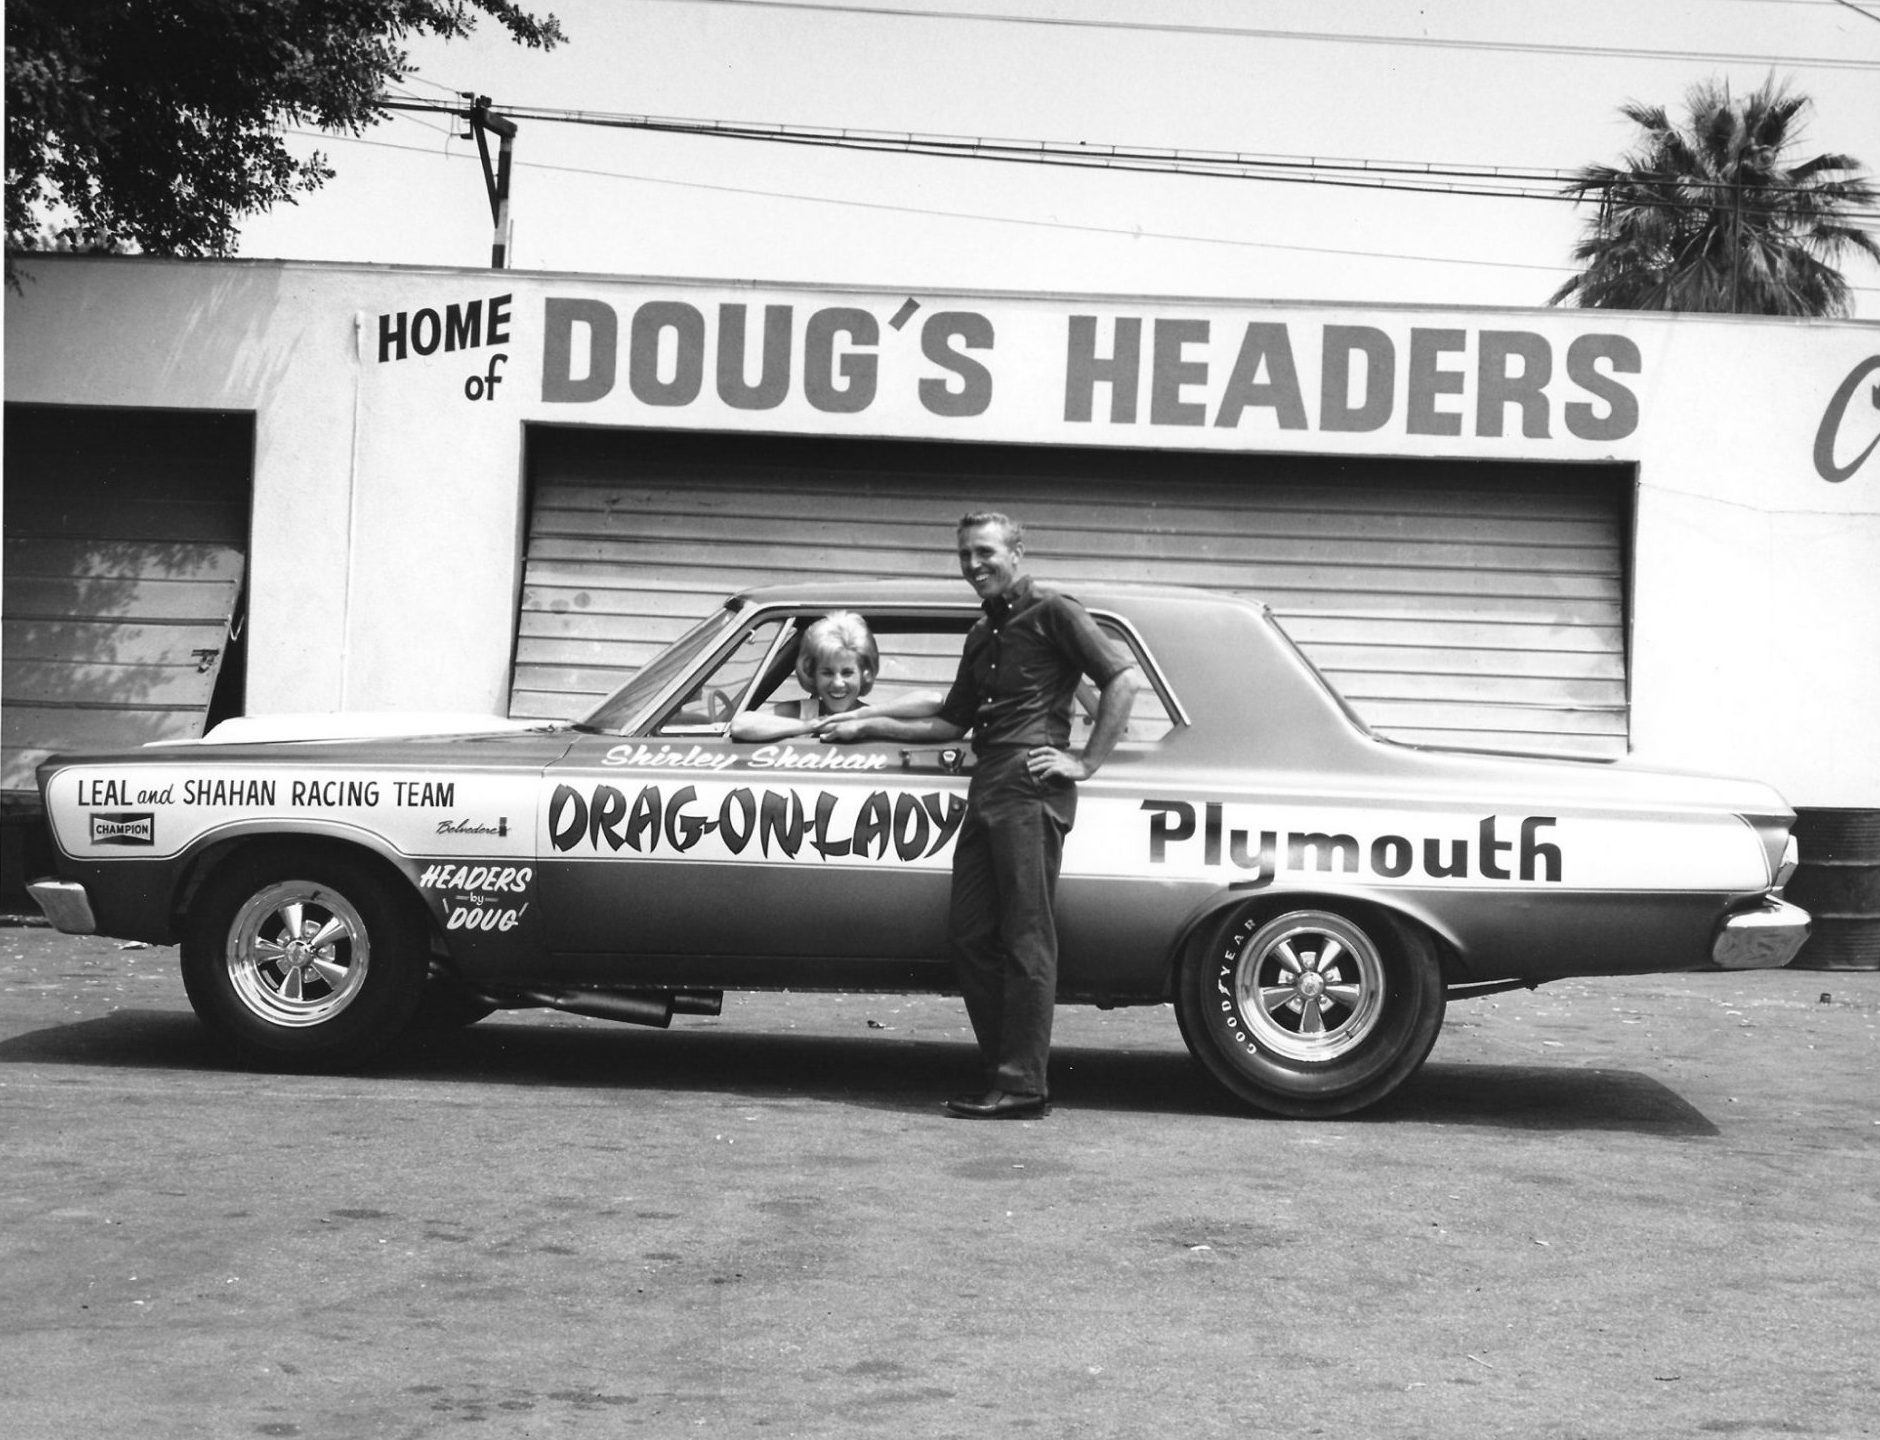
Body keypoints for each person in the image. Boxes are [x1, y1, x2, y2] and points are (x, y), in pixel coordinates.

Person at [820, 513, 1140, 1119]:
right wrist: (867, 725)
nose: (973, 565)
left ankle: (1023, 1086)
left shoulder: (1054, 611)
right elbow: (950, 722)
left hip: (1030, 782)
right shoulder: (982, 631)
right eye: (965, 554)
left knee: (1025, 935)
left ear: (1018, 552)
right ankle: (1005, 1072)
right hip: (988, 781)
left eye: (985, 552)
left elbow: (1121, 678)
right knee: (970, 935)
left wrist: (1086, 762)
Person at [730, 611, 940, 741]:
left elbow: (933, 701)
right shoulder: (804, 712)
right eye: (827, 672)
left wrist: (861, 717)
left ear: (864, 673)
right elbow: (741, 725)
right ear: (813, 674)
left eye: (848, 672)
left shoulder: (872, 717)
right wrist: (812, 725)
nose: (838, 683)